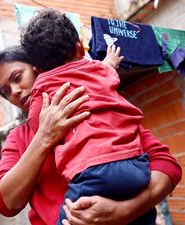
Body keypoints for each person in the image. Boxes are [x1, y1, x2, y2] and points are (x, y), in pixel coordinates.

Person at [0, 45, 182, 225]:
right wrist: (43, 137)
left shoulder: (92, 106)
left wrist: (123, 211)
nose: (14, 91)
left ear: (38, 68)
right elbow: (6, 203)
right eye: (6, 91)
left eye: (17, 77)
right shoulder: (19, 137)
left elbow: (167, 166)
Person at [20, 9, 160, 224]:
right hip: (138, 166)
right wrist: (111, 59)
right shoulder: (97, 69)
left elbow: (37, 121)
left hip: (94, 174)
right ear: (79, 46)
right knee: (142, 215)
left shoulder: (43, 88)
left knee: (69, 217)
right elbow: (109, 69)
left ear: (37, 69)